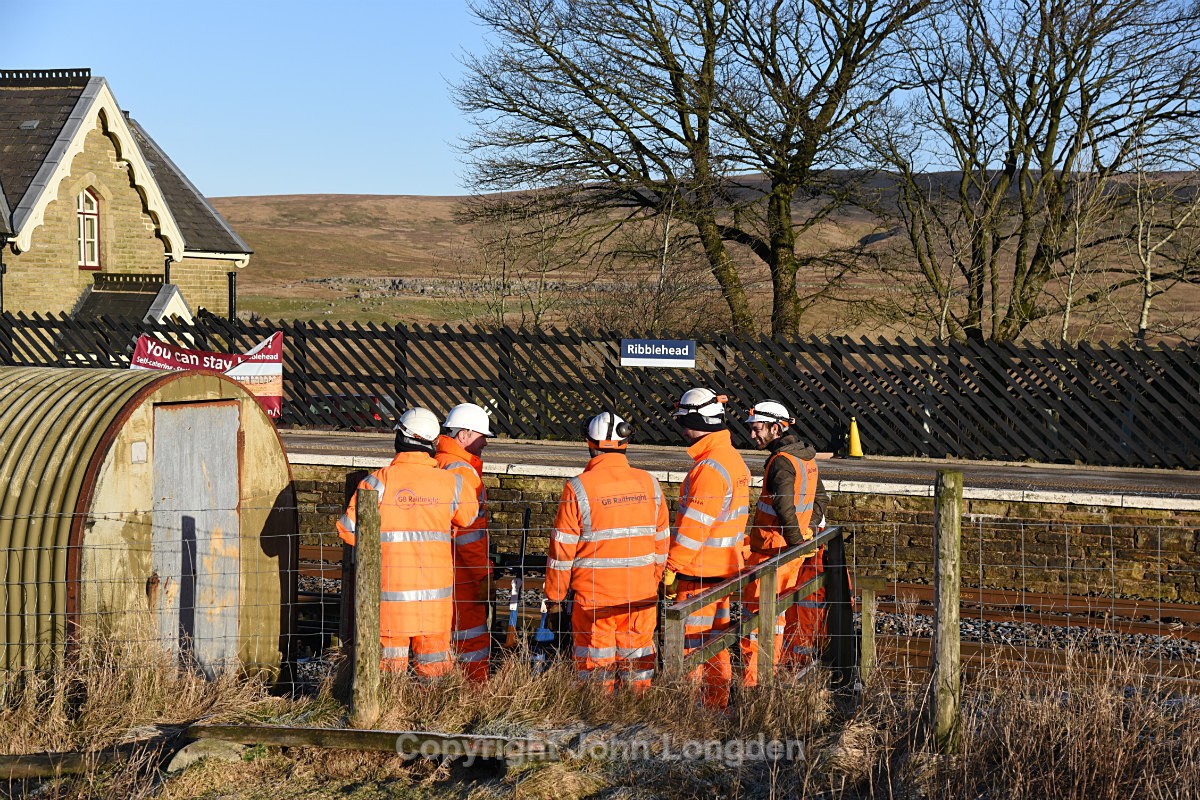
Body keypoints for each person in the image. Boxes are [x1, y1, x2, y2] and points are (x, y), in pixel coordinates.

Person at [337, 407, 478, 678]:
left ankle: (389, 715)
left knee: (388, 675)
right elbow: (468, 517)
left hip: (389, 603)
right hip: (434, 605)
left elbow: (347, 530)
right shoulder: (452, 483)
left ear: (400, 438)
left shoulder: (376, 482)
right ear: (433, 443)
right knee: (435, 671)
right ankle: (435, 716)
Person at [545, 411, 670, 693]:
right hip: (640, 594)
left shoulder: (578, 487)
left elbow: (561, 553)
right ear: (625, 443)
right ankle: (638, 710)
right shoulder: (650, 484)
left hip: (594, 599)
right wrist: (652, 581)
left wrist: (555, 597)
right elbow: (661, 544)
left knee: (596, 669)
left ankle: (598, 714)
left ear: (590, 443)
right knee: (638, 663)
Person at [662, 388, 750, 709]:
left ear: (696, 420)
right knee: (716, 645)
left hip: (698, 575)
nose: (681, 429)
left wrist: (670, 570)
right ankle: (716, 707)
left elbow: (692, 530)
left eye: (683, 421)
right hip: (724, 573)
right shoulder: (732, 461)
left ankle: (690, 713)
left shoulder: (709, 469)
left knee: (690, 649)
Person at [740, 400, 830, 686]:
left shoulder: (781, 462)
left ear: (776, 428)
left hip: (772, 553)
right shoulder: (806, 458)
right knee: (776, 617)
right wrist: (807, 534)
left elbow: (784, 507)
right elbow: (822, 500)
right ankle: (771, 672)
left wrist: (795, 541)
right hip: (790, 554)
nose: (753, 436)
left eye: (757, 429)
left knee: (756, 619)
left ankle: (754, 684)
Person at [434, 402, 494, 681]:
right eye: (482, 437)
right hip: (462, 574)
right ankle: (475, 691)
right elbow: (469, 534)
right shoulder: (464, 472)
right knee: (471, 639)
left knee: (439, 638)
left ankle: (441, 690)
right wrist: (482, 577)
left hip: (437, 569)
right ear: (464, 435)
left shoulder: (437, 462)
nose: (485, 444)